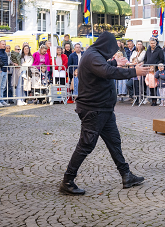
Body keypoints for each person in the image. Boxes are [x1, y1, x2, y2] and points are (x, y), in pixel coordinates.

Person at [60, 32, 149, 195]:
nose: (111, 52)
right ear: (105, 46)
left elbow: (104, 67)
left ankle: (126, 175)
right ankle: (67, 180)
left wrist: (116, 61)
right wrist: (133, 72)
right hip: (93, 109)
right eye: (111, 49)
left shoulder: (95, 55)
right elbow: (107, 71)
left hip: (104, 109)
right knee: (86, 144)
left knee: (114, 142)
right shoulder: (92, 56)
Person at [0, 40, 9, 107]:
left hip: (5, 71)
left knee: (3, 86)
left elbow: (6, 61)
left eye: (5, 44)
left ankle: (1, 99)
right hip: (0, 71)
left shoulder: (5, 52)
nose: (4, 45)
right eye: (3, 44)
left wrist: (7, 69)